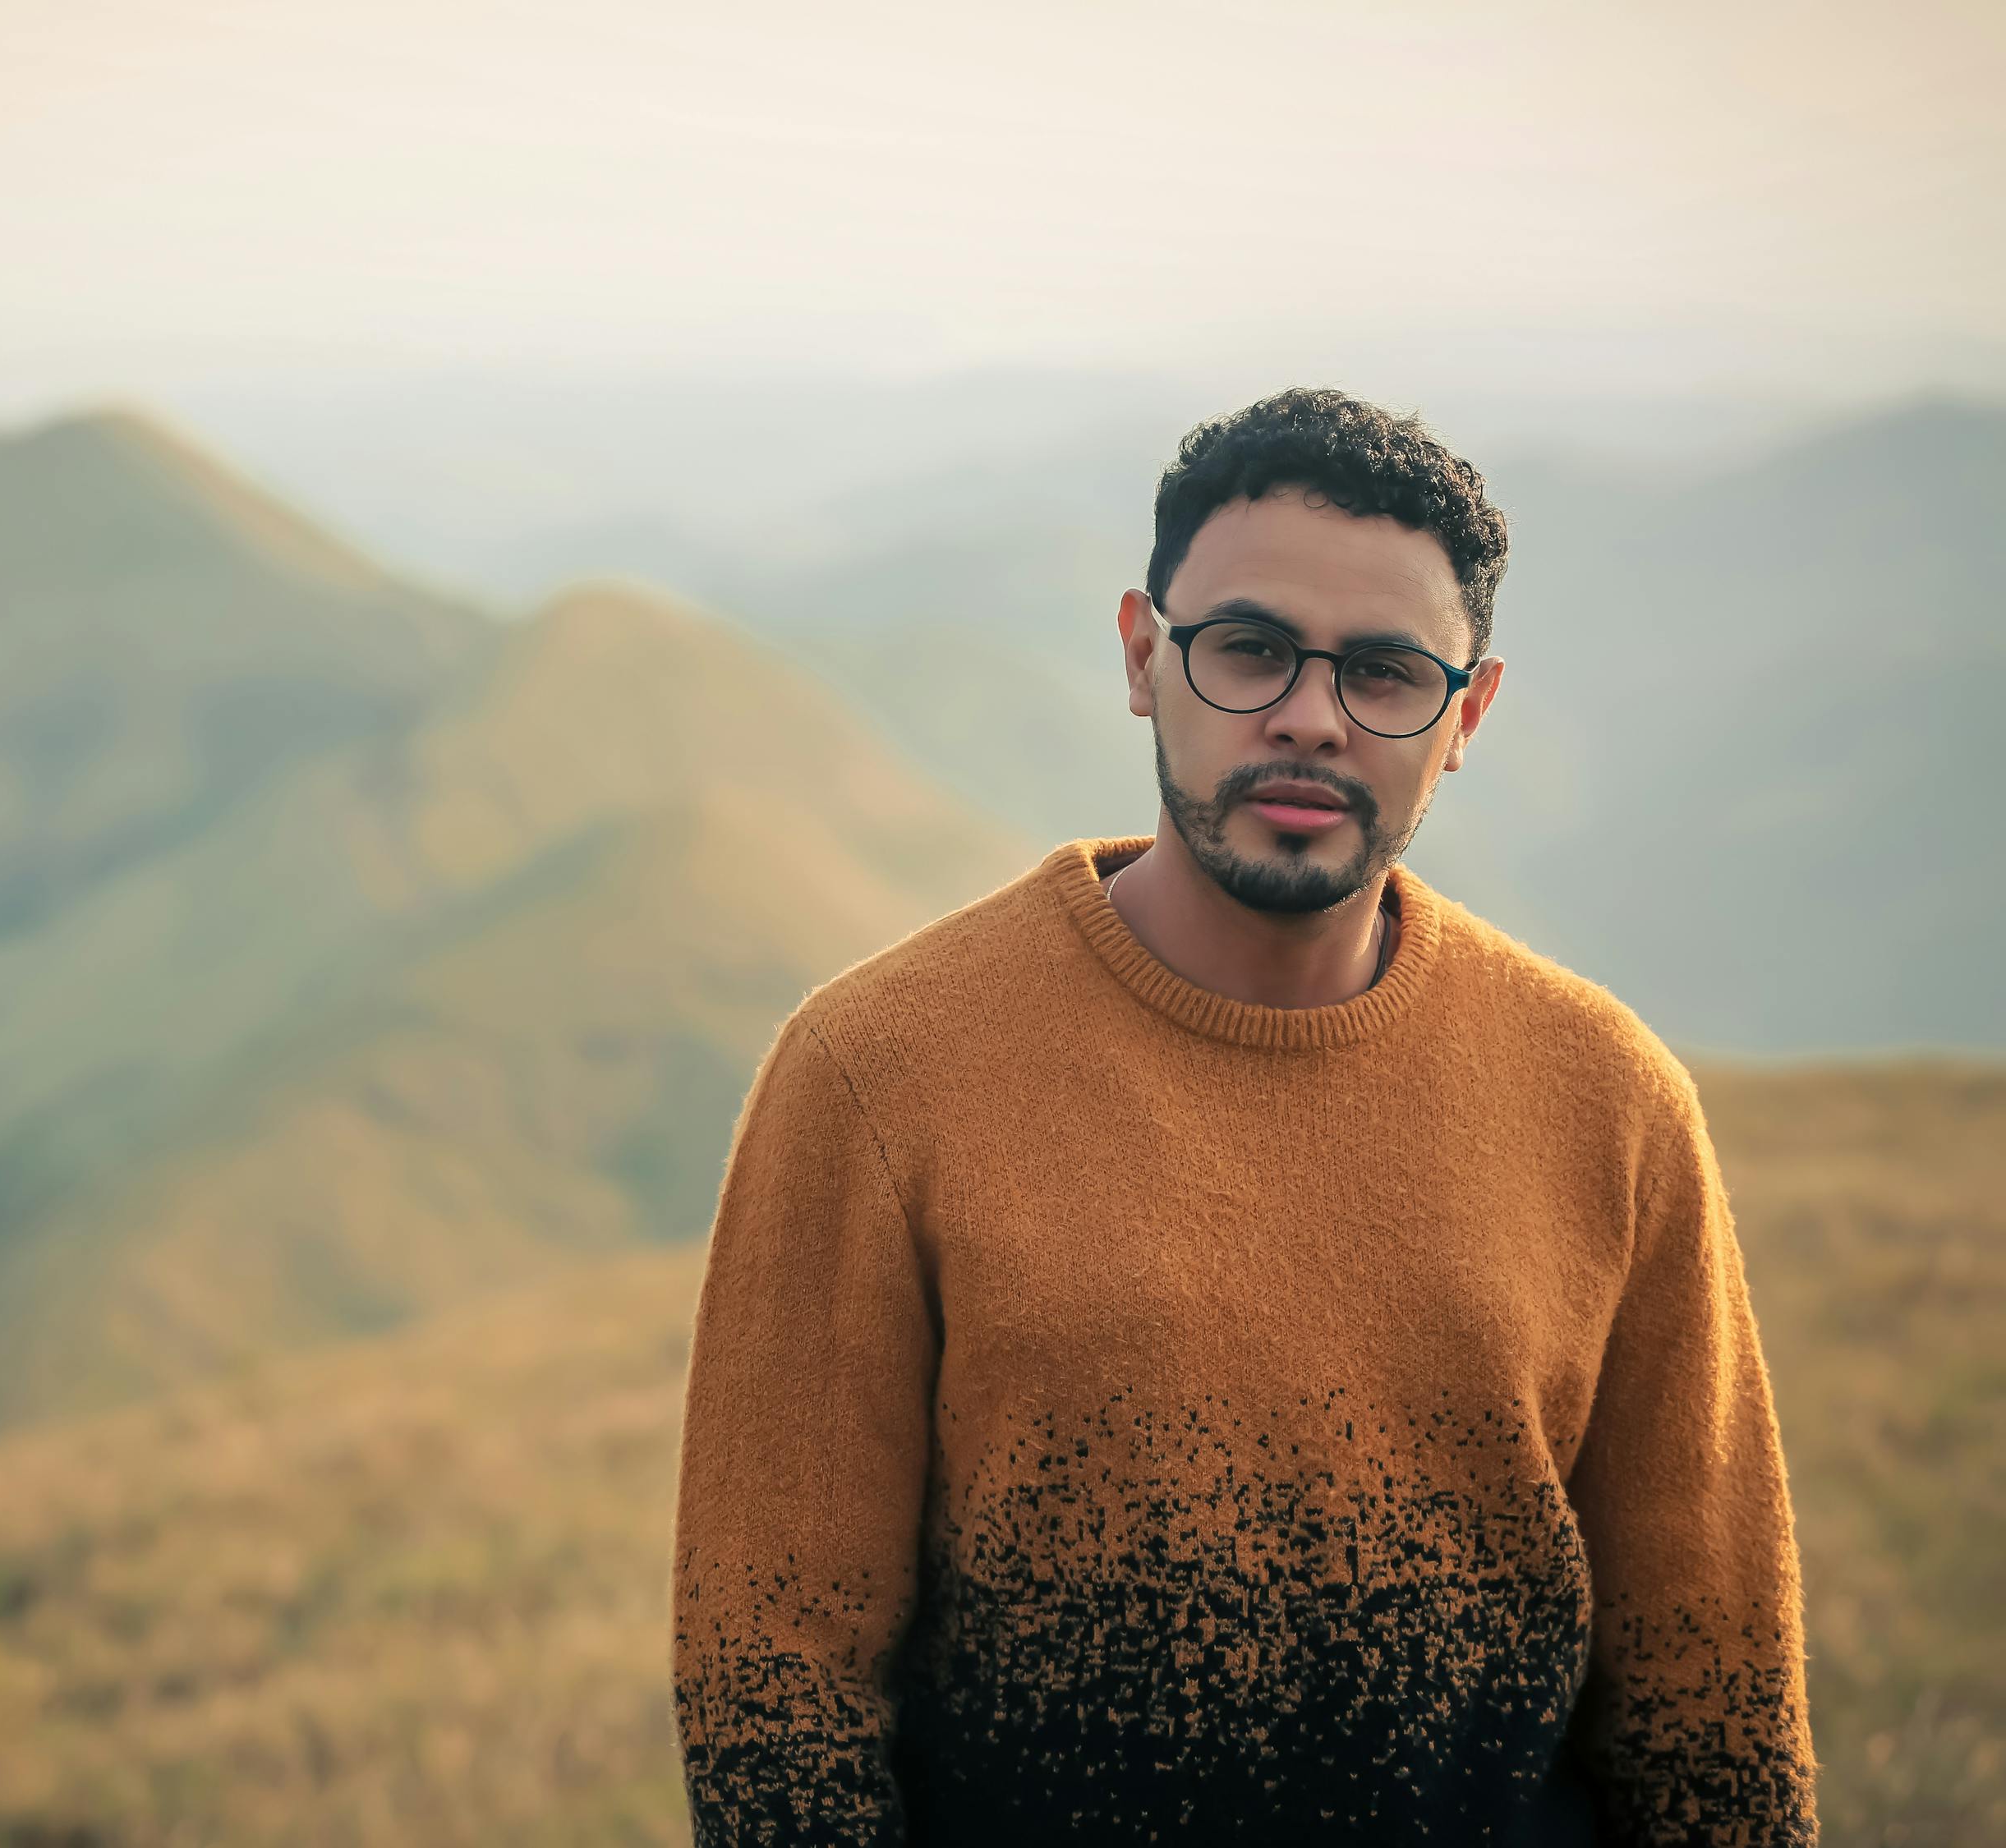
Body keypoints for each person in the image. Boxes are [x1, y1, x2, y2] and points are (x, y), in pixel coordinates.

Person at [669, 388, 1818, 1845]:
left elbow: (1713, 1708)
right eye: (1251, 650)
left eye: (1388, 673)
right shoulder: (875, 1073)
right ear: (1145, 657)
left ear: (1467, 715)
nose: (1308, 717)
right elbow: (775, 1693)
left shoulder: (1611, 1099)